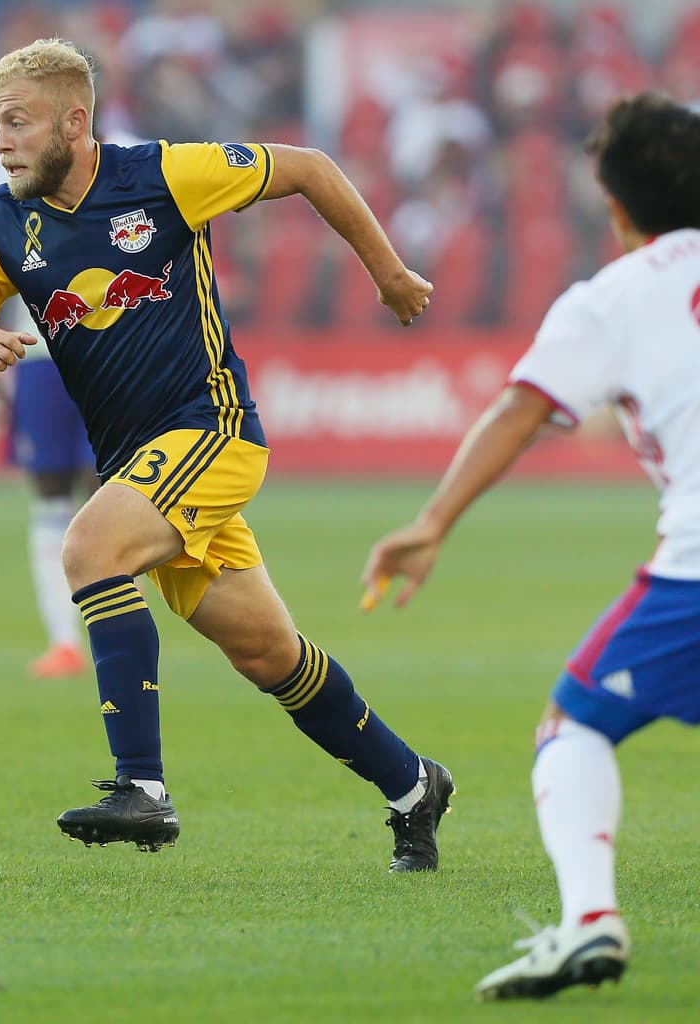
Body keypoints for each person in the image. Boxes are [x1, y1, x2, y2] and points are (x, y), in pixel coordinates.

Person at [0, 38, 452, 869]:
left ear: (75, 120)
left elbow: (308, 165)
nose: (1, 141)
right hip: (139, 465)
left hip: (211, 428)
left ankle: (144, 790)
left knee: (91, 549)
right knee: (267, 654)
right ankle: (415, 785)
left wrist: (387, 274)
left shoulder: (162, 176)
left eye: (17, 123)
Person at [361, 92, 700, 997]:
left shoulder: (615, 297)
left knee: (574, 723)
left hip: (696, 571)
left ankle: (590, 921)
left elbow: (521, 409)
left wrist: (430, 522)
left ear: (617, 207)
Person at [0, 159, 97, 680]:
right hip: (38, 355)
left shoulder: (132, 153)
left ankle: (117, 639)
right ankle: (64, 641)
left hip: (109, 353)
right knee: (50, 494)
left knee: (116, 497)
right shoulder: (5, 169)